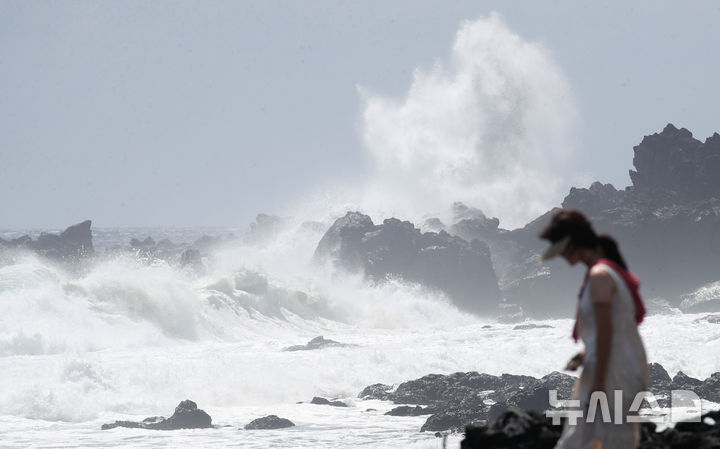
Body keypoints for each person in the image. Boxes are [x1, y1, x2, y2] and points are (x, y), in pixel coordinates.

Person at [539, 209, 648, 449]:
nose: (561, 256)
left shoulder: (600, 276)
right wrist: (585, 354)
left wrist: (599, 380)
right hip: (613, 365)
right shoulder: (604, 273)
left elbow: (608, 330)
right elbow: (609, 331)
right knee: (582, 441)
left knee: (609, 442)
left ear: (571, 243)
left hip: (613, 371)